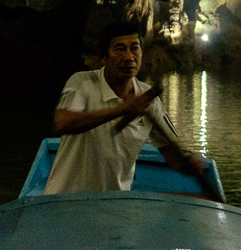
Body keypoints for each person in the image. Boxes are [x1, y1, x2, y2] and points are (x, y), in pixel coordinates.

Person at [43, 20, 206, 194]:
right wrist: (121, 110)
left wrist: (188, 164)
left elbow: (170, 153)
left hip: (114, 203)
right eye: (120, 49)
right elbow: (61, 123)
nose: (129, 57)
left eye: (134, 48)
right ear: (103, 57)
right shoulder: (82, 83)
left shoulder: (148, 99)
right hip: (65, 201)